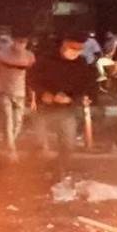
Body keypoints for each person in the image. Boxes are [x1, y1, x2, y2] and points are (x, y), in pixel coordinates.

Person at [30, 34, 98, 169]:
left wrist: (81, 97)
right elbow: (32, 79)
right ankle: (33, 172)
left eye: (80, 49)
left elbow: (87, 84)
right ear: (64, 45)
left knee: (68, 146)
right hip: (44, 110)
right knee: (40, 147)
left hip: (67, 110)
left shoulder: (81, 63)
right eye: (73, 48)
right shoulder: (46, 60)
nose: (76, 52)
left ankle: (59, 171)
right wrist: (44, 93)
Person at [0, 30, 36, 161]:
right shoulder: (2, 55)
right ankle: (11, 151)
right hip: (3, 91)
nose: (21, 45)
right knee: (7, 120)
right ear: (14, 41)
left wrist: (33, 98)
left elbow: (32, 79)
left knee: (18, 123)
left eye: (23, 42)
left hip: (20, 93)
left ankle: (9, 144)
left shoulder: (29, 57)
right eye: (19, 41)